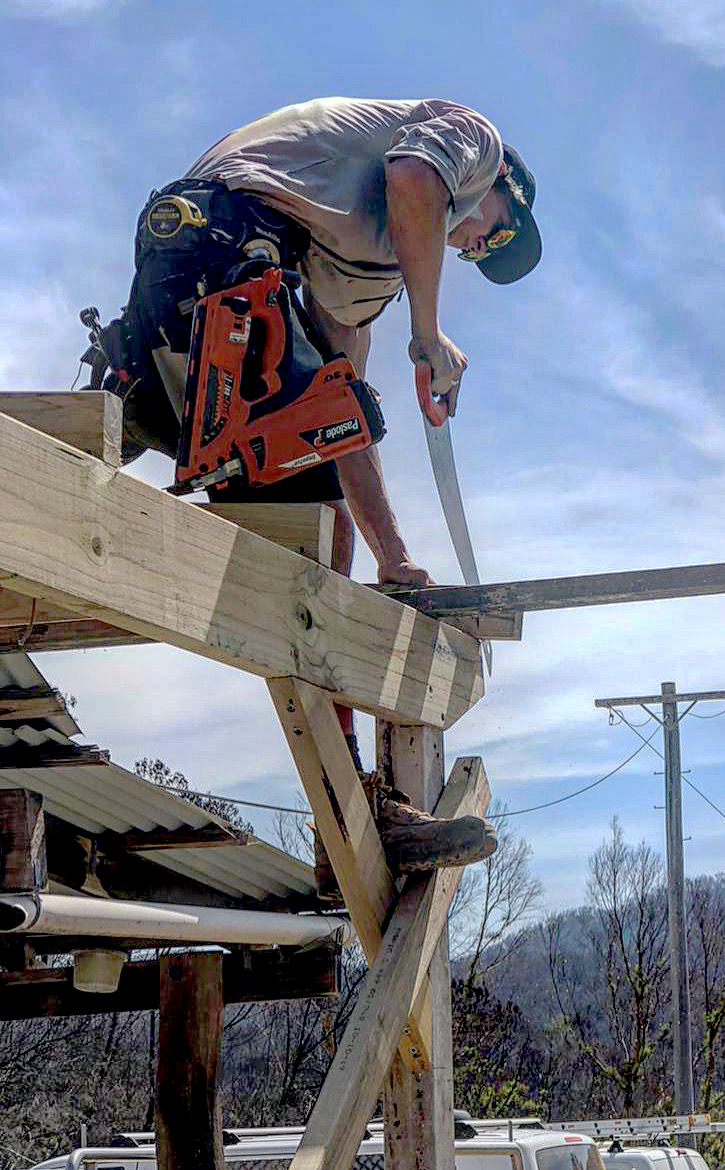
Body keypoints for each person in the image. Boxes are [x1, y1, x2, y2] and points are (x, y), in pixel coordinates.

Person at [101, 97, 542, 880]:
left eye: (486, 253)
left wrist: (393, 557)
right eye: (498, 230)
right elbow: (415, 176)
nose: (479, 243)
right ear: (499, 184)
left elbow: (344, 426)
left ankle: (347, 825)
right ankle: (357, 813)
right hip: (226, 241)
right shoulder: (474, 140)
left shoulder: (351, 268)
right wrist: (428, 330)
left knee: (301, 521)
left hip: (190, 260)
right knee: (306, 519)